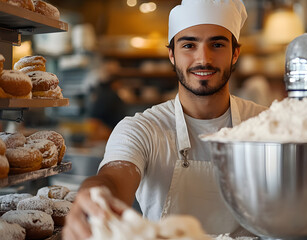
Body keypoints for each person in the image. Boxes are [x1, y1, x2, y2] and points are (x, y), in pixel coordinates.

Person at [63, 0, 268, 239]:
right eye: (189, 45)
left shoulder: (267, 124)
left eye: (217, 44)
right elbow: (113, 179)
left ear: (235, 53)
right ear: (171, 54)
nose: (203, 58)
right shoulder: (142, 129)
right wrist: (95, 197)